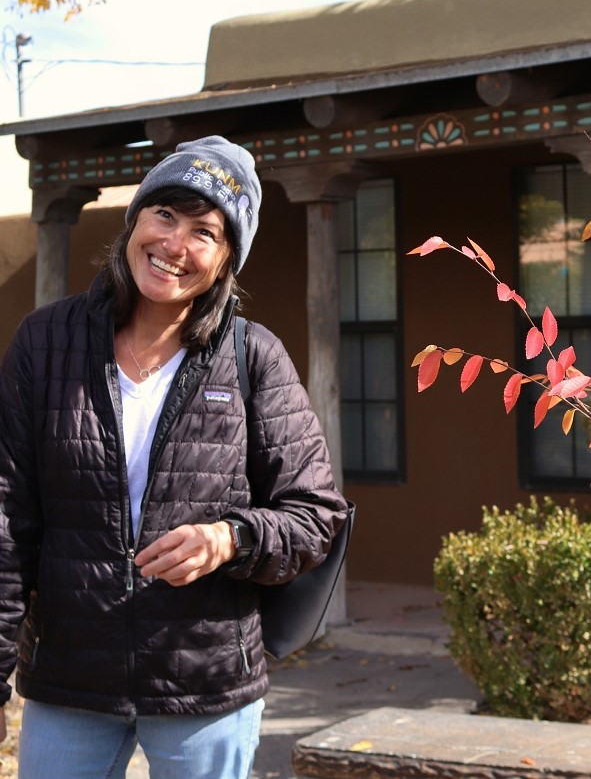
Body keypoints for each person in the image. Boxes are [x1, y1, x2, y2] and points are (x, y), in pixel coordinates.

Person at [0, 135, 349, 777]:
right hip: (70, 676)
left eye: (205, 232)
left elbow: (314, 515)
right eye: (164, 214)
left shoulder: (253, 356)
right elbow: (6, 523)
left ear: (226, 261)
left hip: (206, 681)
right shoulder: (45, 342)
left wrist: (229, 539)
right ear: (135, 219)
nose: (174, 245)